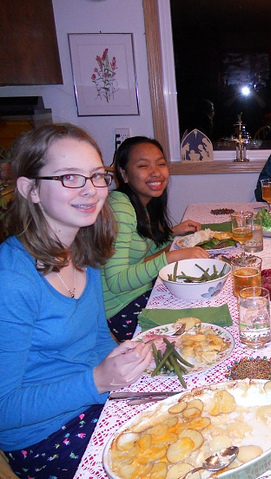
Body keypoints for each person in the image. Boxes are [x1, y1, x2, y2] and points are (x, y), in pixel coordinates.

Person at [0, 124, 153, 478]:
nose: (91, 190)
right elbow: (4, 409)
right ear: (30, 189)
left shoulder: (83, 250)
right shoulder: (12, 280)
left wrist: (127, 358)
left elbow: (97, 337)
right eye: (70, 177)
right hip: (46, 438)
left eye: (97, 175)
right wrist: (97, 381)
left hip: (95, 401)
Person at [102, 136, 209, 341]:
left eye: (161, 164)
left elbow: (142, 255)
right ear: (123, 174)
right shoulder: (120, 206)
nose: (156, 172)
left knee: (204, 298)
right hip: (122, 310)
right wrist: (173, 257)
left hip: (141, 293)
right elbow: (116, 282)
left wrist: (171, 233)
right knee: (203, 326)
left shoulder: (142, 203)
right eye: (143, 166)